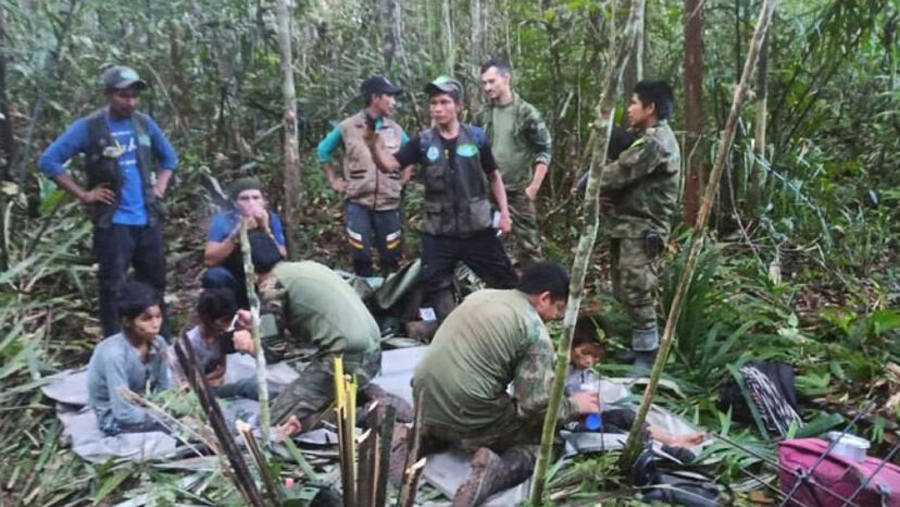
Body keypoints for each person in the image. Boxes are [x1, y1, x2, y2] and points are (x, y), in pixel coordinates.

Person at [401, 262, 601, 507]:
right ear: (544, 298)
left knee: (461, 406)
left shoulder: (482, 296)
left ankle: (423, 437)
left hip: (423, 398)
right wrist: (572, 406)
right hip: (468, 412)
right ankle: (493, 472)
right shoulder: (534, 331)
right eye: (558, 308)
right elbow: (533, 407)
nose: (556, 317)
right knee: (545, 443)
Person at [39, 66, 178, 339]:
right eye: (123, 96)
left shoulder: (143, 124)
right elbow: (49, 161)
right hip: (114, 223)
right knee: (113, 287)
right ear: (108, 95)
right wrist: (84, 194)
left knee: (154, 283)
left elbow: (169, 159)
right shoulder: (89, 127)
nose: (131, 102)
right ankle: (116, 345)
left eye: (134, 96)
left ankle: (162, 343)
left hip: (147, 219)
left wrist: (159, 187)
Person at [369, 76, 517, 321]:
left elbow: (494, 176)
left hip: (477, 228)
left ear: (458, 106)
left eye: (444, 102)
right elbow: (390, 165)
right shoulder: (423, 141)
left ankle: (511, 326)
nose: (437, 108)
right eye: (433, 103)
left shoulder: (476, 138)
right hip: (439, 231)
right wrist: (374, 146)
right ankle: (451, 328)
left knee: (505, 280)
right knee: (435, 282)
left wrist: (505, 215)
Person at [231, 246, 385, 431]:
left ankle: (364, 414)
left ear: (251, 274)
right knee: (300, 394)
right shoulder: (306, 268)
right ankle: (357, 396)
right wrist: (259, 323)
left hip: (345, 360)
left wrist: (248, 345)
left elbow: (273, 353)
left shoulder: (272, 285)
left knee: (275, 422)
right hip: (372, 354)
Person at [597, 80, 681, 371]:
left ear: (650, 108)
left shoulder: (656, 143)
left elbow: (619, 173)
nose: (629, 109)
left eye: (634, 103)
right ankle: (639, 345)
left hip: (643, 228)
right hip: (627, 224)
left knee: (637, 288)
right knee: (623, 287)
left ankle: (648, 355)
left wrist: (590, 180)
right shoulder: (644, 136)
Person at [317, 75, 412, 276]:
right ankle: (363, 295)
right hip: (358, 201)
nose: (394, 102)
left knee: (391, 255)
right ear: (375, 98)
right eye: (390, 97)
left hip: (389, 203)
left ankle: (390, 298)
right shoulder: (348, 127)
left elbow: (410, 154)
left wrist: (403, 180)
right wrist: (333, 180)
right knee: (360, 254)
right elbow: (323, 151)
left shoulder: (395, 129)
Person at [565, 316, 705, 449]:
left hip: (589, 419)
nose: (589, 361)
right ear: (570, 344)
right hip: (569, 423)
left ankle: (671, 440)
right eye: (585, 352)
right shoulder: (558, 370)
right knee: (610, 431)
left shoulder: (582, 372)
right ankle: (659, 449)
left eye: (595, 356)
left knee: (626, 416)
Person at [477, 58, 553, 268]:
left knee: (529, 247)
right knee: (490, 246)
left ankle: (537, 295)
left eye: (492, 82)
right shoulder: (484, 114)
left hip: (519, 191)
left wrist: (534, 187)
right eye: (484, 83)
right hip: (489, 192)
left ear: (506, 78)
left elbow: (544, 148)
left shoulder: (526, 113)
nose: (487, 87)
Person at [87, 281, 172, 435]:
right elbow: (123, 412)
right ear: (127, 321)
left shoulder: (158, 343)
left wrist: (168, 406)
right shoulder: (114, 355)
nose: (155, 324)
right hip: (115, 418)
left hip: (148, 406)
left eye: (158, 317)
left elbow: (164, 387)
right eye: (146, 319)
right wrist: (163, 416)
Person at [202, 177, 287, 306]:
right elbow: (209, 260)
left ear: (263, 201)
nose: (251, 203)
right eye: (244, 198)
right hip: (236, 277)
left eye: (256, 198)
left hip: (265, 278)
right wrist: (237, 234)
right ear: (235, 203)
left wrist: (266, 229)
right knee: (214, 276)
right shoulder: (224, 220)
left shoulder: (271, 218)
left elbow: (282, 255)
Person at [169, 288, 260, 400]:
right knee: (245, 387)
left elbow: (222, 370)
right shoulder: (189, 344)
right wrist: (208, 380)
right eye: (224, 321)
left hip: (213, 383)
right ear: (207, 319)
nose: (228, 326)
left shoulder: (222, 336)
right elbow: (186, 383)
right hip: (198, 394)